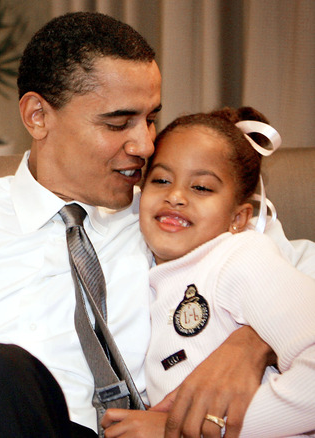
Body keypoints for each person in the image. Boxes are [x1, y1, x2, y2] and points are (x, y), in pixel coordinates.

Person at [0, 11, 313, 438]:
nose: (146, 145)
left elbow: (295, 282)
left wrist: (253, 341)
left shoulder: (178, 219)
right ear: (38, 116)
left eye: (151, 118)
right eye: (118, 123)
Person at [102, 107, 315, 437]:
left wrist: (192, 429)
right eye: (160, 180)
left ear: (239, 217)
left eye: (201, 187)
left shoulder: (241, 256)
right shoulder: (142, 280)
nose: (175, 196)